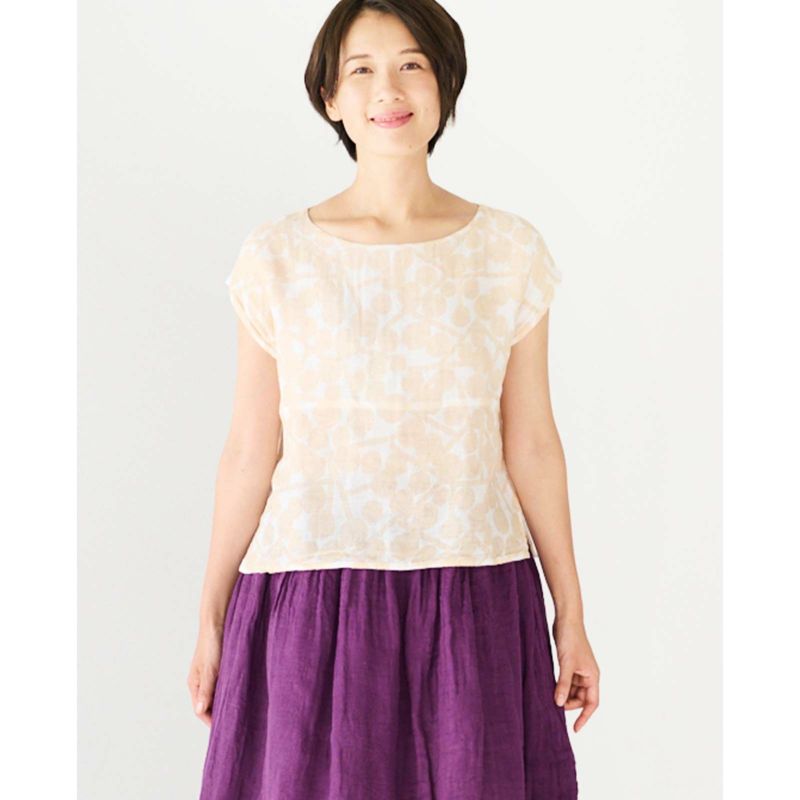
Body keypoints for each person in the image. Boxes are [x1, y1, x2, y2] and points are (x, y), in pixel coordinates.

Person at [189, 1, 599, 797]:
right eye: (362, 69)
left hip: (473, 592)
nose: (389, 88)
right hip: (310, 593)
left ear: (446, 83)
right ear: (330, 97)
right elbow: (249, 448)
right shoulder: (277, 257)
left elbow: (531, 443)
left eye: (413, 64)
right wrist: (209, 618)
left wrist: (571, 613)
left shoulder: (508, 251)